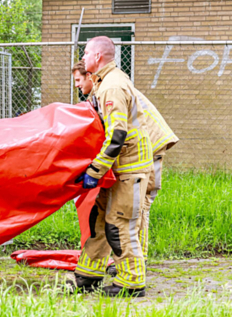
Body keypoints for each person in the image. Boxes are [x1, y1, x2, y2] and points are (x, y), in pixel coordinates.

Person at [69, 37, 153, 298]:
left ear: (98, 56)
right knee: (99, 219)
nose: (83, 58)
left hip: (130, 168)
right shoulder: (104, 82)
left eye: (86, 53)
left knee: (119, 224)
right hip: (117, 168)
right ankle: (89, 273)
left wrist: (94, 170)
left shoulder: (112, 86)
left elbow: (117, 134)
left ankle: (131, 282)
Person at [72, 61, 177, 252]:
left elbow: (116, 133)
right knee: (128, 210)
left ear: (89, 76)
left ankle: (139, 258)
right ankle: (131, 256)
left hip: (150, 147)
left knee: (139, 206)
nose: (76, 85)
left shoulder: (109, 89)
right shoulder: (103, 89)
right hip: (144, 147)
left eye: (78, 80)